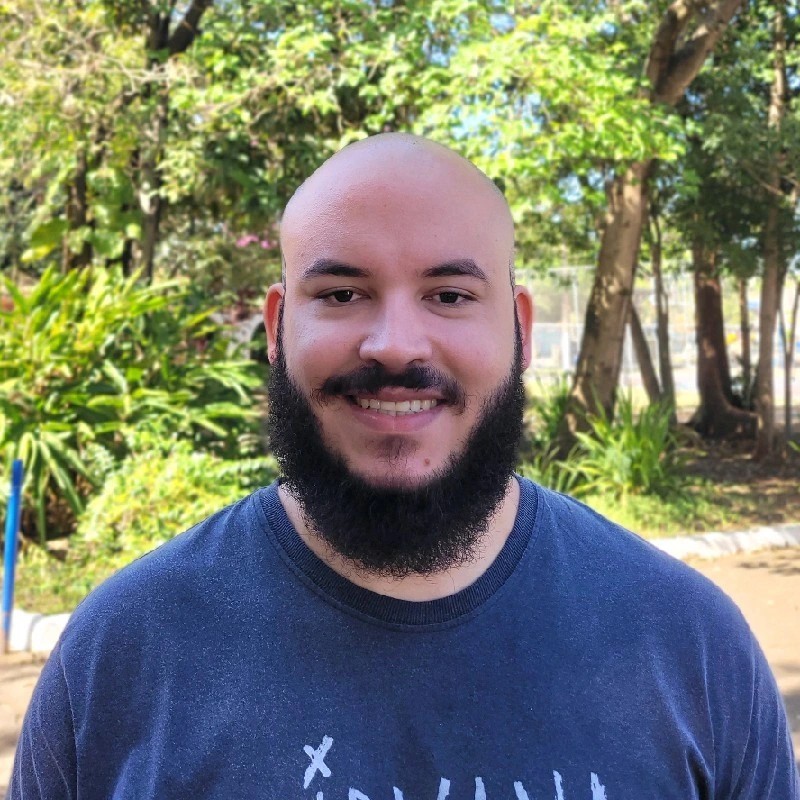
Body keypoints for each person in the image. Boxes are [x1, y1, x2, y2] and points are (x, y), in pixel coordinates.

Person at [9, 134, 799, 799]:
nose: (394, 345)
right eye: (342, 293)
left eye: (449, 295)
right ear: (278, 329)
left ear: (519, 331)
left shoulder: (690, 645)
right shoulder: (122, 653)